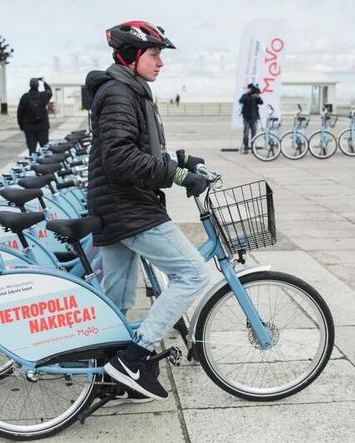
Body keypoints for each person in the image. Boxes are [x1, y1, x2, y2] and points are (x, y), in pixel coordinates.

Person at [85, 21, 210, 402]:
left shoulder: (130, 91)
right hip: (128, 207)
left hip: (116, 205)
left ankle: (109, 375)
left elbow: (137, 148)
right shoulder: (120, 93)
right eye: (154, 54)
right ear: (131, 56)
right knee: (192, 273)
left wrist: (178, 159)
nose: (160, 63)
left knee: (117, 300)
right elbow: (121, 158)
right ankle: (134, 359)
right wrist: (176, 174)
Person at [17, 77, 53, 154]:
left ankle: (32, 165)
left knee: (32, 151)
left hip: (29, 128)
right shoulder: (43, 96)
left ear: (30, 85)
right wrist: (44, 82)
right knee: (45, 150)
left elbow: (19, 113)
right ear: (38, 85)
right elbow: (49, 91)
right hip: (43, 128)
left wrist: (22, 126)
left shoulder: (25, 97)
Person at [239, 83, 263, 153]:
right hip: (246, 118)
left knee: (254, 134)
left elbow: (261, 102)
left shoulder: (255, 96)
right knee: (246, 134)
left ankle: (253, 149)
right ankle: (246, 148)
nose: (248, 89)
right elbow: (241, 100)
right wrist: (247, 94)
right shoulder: (245, 95)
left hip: (254, 118)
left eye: (249, 88)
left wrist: (258, 97)